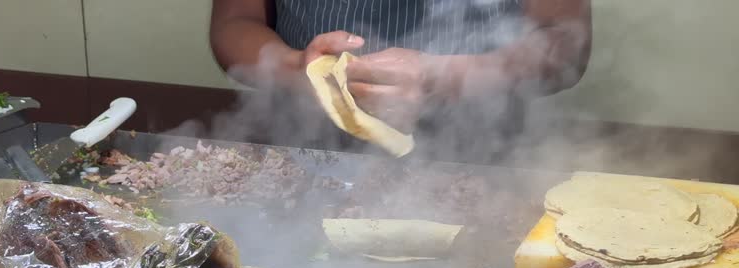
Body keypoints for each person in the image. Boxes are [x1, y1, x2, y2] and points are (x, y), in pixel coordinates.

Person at [210, 0, 592, 161]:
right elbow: (236, 22)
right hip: (306, 149)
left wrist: (444, 78)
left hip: (484, 156)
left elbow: (564, 42)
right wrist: (299, 69)